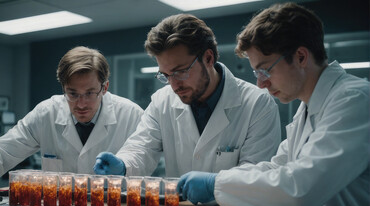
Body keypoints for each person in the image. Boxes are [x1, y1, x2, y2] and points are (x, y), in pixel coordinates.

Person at [177, 2, 370, 206]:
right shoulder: (308, 109)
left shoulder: (354, 100)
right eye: (256, 73)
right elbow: (278, 169)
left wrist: (216, 184)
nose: (260, 84)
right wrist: (219, 181)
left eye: (265, 70)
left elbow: (299, 191)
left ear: (301, 57)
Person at [94, 14, 281, 178]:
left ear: (208, 58)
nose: (174, 85)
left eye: (180, 72)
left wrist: (214, 185)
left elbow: (255, 174)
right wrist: (123, 165)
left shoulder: (258, 103)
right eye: (165, 75)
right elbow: (141, 148)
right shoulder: (162, 101)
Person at [0, 46, 144, 186]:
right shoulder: (46, 112)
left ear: (104, 88)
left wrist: (124, 168)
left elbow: (147, 164)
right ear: (63, 88)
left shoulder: (130, 115)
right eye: (72, 94)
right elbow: (4, 150)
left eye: (89, 93)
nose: (81, 104)